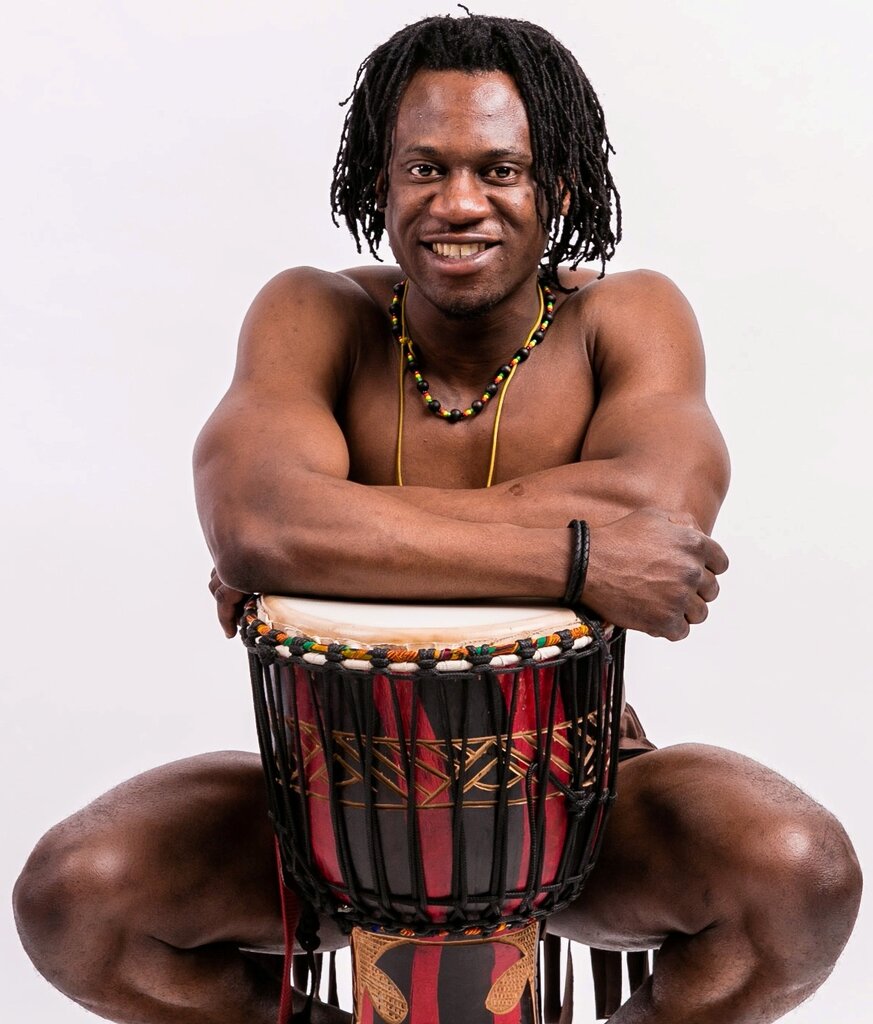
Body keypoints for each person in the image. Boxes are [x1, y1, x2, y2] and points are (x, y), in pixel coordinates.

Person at [13, 14, 861, 1024]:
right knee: (75, 898)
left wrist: (332, 533)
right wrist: (580, 555)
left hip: (574, 792)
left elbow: (662, 519)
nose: (459, 203)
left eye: (500, 170)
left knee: (798, 873)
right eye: (425, 169)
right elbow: (257, 519)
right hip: (330, 792)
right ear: (379, 184)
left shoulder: (626, 317)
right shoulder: (311, 313)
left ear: (559, 188)